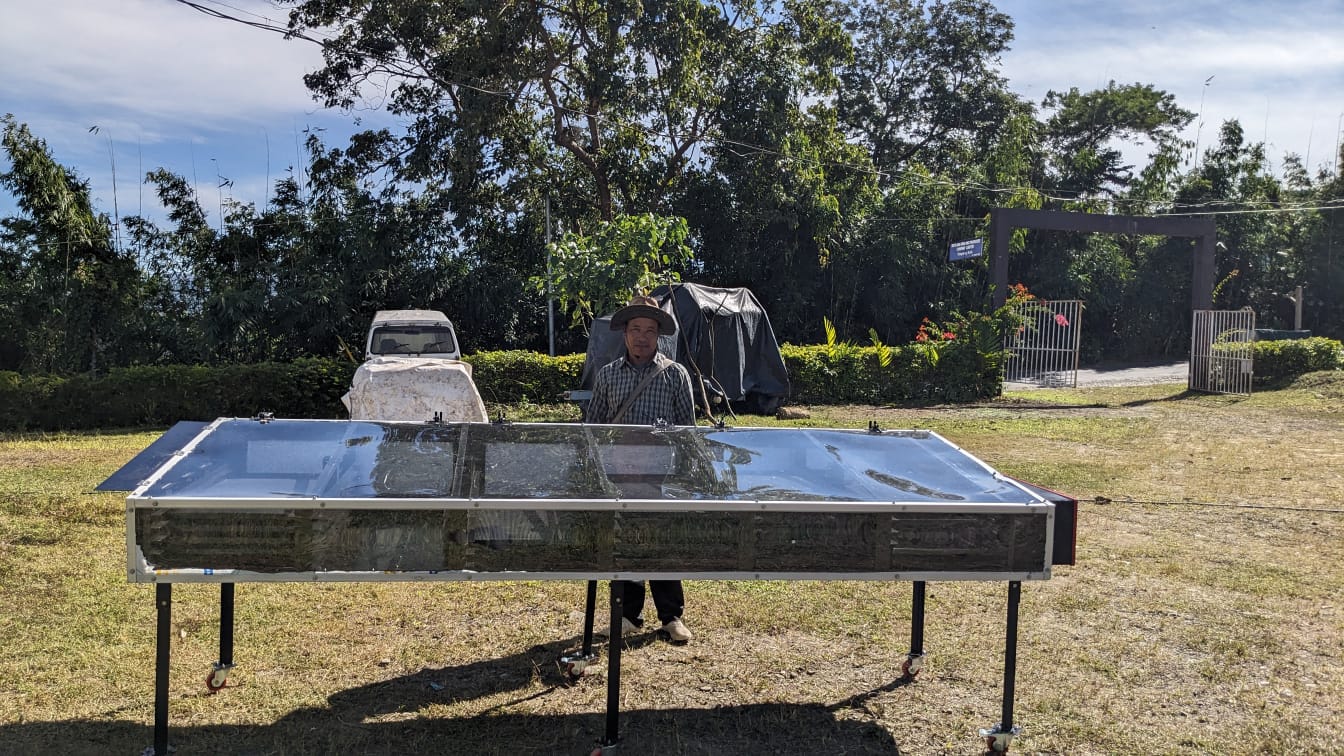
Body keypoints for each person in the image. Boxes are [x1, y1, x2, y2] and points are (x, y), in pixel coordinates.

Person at [587, 294, 696, 643]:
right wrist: (600, 473)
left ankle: (671, 617)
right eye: (636, 329)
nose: (642, 337)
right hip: (619, 477)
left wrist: (683, 477)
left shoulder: (676, 376)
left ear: (659, 335)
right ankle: (627, 616)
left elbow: (688, 434)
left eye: (650, 330)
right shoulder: (607, 376)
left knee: (663, 544)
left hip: (660, 478)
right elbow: (595, 430)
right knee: (624, 544)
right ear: (625, 334)